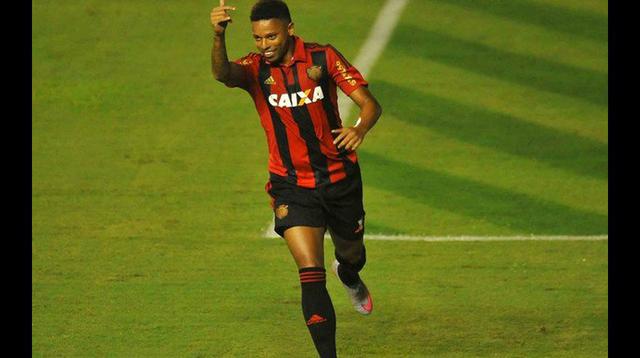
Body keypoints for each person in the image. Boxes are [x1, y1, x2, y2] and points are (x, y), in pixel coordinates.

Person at [210, 0, 382, 356]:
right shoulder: (256, 69)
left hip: (339, 179)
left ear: (290, 29)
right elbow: (223, 74)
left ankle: (349, 274)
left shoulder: (323, 58)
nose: (264, 45)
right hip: (291, 185)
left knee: (352, 255)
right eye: (257, 38)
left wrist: (360, 128)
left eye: (270, 36)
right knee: (310, 271)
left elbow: (369, 103)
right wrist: (218, 35)